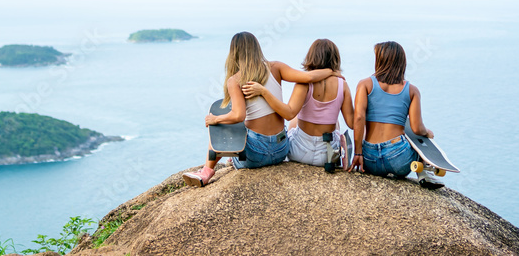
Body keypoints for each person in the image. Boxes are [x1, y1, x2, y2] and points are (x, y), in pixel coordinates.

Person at [183, 31, 342, 187]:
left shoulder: (235, 80)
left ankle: (206, 171)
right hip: (280, 151)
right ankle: (232, 157)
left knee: (221, 120)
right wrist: (331, 71)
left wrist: (215, 119)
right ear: (257, 48)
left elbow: (238, 115)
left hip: (255, 156)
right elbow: (308, 77)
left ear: (234, 53)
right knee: (295, 117)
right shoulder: (277, 67)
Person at [242, 38, 354, 169]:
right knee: (336, 123)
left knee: (295, 118)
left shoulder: (304, 83)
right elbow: (351, 123)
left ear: (311, 56)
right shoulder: (343, 85)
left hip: (299, 153)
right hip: (326, 156)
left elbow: (288, 113)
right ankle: (337, 150)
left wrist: (264, 92)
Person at [349, 41, 443, 189]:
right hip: (399, 158)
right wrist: (428, 133)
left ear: (380, 61)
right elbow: (417, 128)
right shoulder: (412, 90)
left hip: (370, 159)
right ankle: (425, 173)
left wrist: (358, 153)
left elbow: (359, 118)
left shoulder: (365, 84)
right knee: (419, 144)